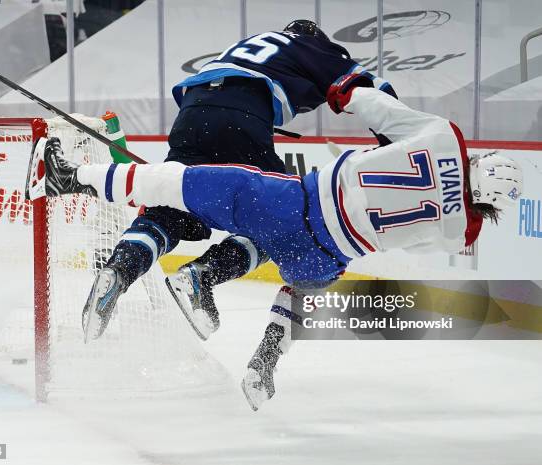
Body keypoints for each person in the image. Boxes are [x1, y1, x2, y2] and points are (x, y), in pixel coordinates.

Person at [31, 76, 523, 410]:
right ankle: (262, 360)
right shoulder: (459, 231)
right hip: (331, 253)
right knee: (295, 285)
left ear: (481, 163)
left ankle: (67, 177)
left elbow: (371, 104)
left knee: (178, 183)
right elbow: (408, 239)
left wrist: (344, 91)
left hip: (297, 203)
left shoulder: (442, 137)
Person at [63, 19, 399, 342]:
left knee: (171, 209)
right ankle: (201, 276)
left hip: (193, 114)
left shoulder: (253, 44)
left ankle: (119, 270)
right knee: (286, 223)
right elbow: (373, 90)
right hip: (240, 116)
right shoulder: (311, 48)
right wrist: (393, 146)